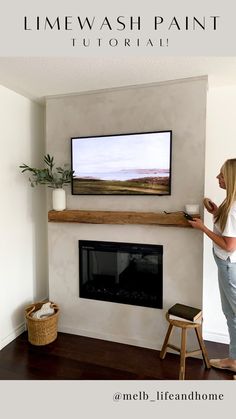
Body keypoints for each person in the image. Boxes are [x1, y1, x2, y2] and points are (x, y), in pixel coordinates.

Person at [188, 158, 236, 373]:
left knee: (234, 313)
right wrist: (216, 213)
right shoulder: (230, 204)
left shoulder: (234, 208)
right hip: (225, 265)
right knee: (230, 312)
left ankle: (234, 361)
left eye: (221, 175)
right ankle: (233, 359)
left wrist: (203, 228)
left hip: (228, 266)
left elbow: (229, 245)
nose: (217, 178)